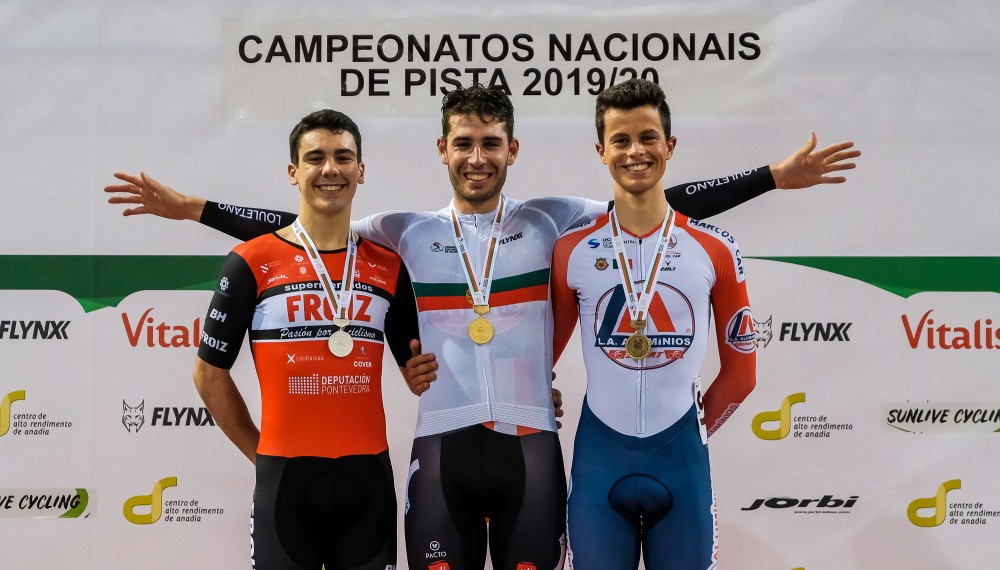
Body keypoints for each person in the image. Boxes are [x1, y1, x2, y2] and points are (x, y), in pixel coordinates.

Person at [106, 84, 859, 570]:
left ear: (512, 151)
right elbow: (306, 221)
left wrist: (768, 179)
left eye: (490, 143)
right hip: (443, 447)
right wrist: (196, 209)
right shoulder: (399, 231)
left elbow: (655, 193)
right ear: (442, 150)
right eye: (462, 143)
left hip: (532, 447)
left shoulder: (557, 221)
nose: (476, 157)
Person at [192, 109, 418, 569]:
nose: (330, 169)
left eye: (343, 157)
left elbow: (418, 368)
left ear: (360, 170)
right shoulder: (251, 260)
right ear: (294, 172)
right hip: (285, 480)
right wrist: (262, 454)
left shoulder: (389, 265)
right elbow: (208, 375)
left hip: (368, 482)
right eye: (315, 158)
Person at [551, 78, 760, 569]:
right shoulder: (571, 250)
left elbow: (742, 374)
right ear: (601, 151)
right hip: (599, 465)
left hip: (682, 464)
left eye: (648, 138)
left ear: (670, 145)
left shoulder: (715, 248)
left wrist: (696, 430)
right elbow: (538, 358)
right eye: (621, 141)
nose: (635, 152)